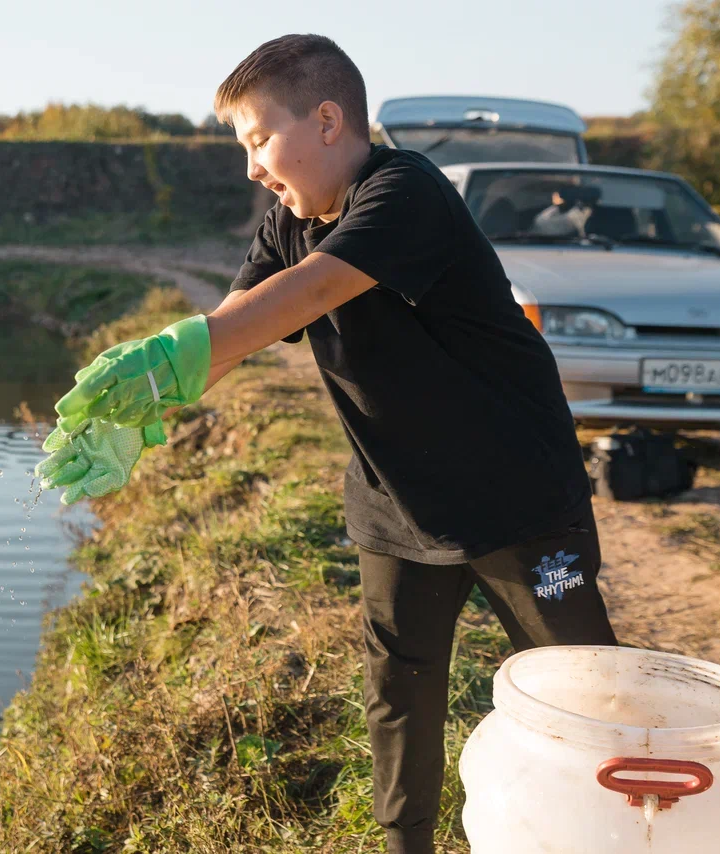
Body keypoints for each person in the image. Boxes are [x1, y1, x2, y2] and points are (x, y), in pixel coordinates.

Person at [35, 33, 619, 854]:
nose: (252, 169)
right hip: (396, 501)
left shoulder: (403, 192)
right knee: (399, 694)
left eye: (257, 140)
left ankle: (622, 833)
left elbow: (309, 293)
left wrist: (171, 352)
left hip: (518, 502)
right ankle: (406, 844)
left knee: (586, 695)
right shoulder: (287, 221)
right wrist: (135, 404)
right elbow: (235, 331)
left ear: (328, 121)